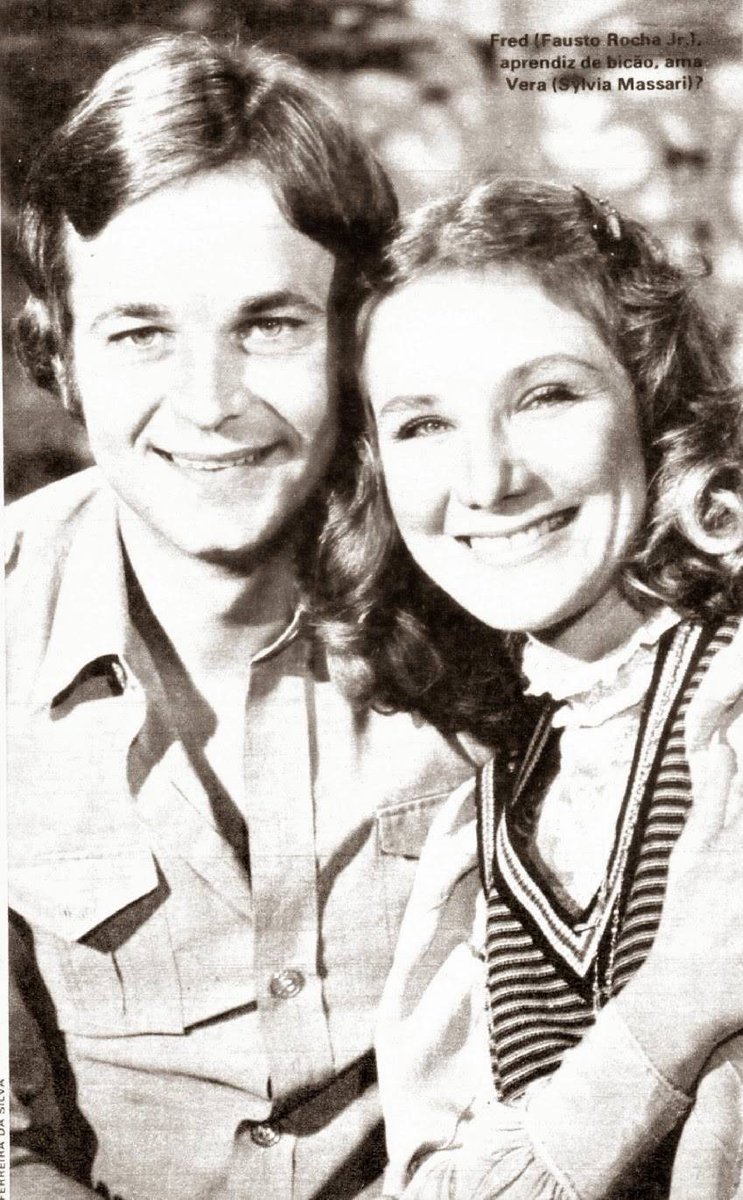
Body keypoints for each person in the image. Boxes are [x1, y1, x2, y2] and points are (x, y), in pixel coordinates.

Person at [5, 34, 489, 1200]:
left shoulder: (492, 596)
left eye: (269, 325)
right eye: (139, 333)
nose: (209, 404)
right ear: (58, 355)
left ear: (358, 340)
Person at [313, 178, 743, 1198]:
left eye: (545, 396)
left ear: (653, 408)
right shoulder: (485, 823)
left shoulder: (727, 718)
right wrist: (670, 1010)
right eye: (422, 425)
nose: (487, 480)